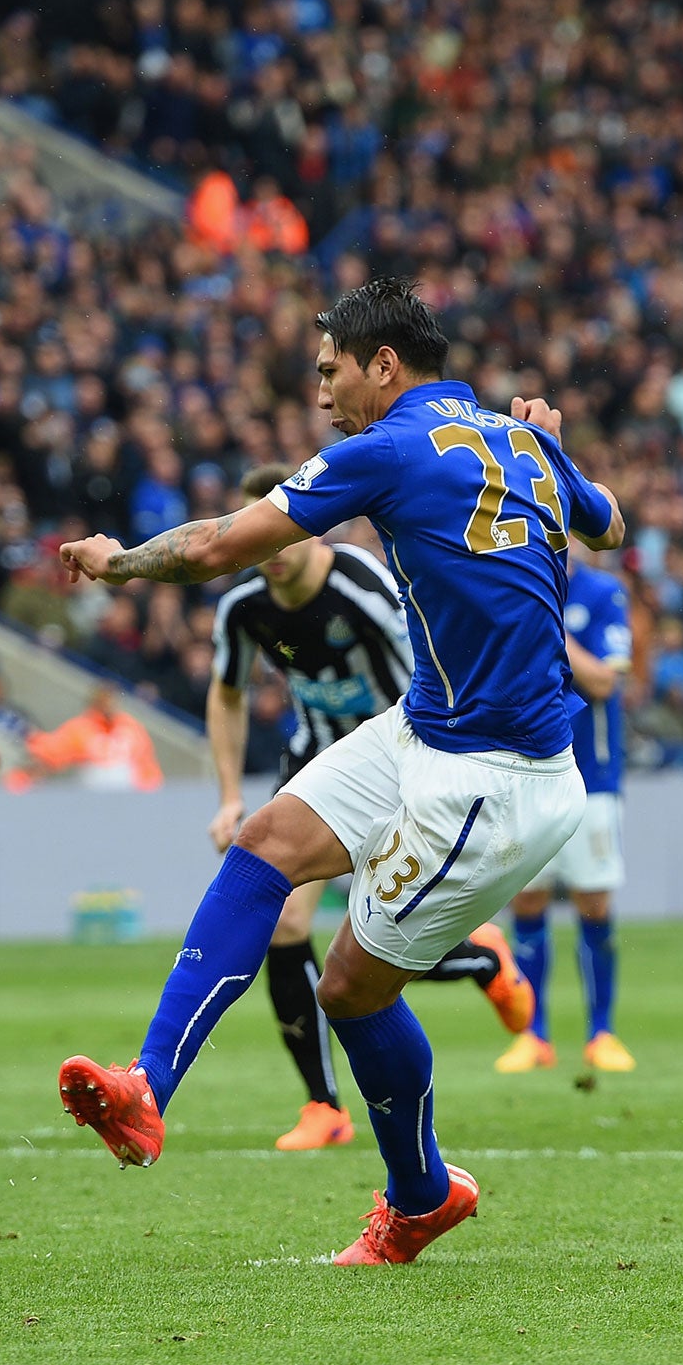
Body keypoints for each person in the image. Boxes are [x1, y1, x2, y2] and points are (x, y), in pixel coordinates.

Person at [54, 277, 624, 1264]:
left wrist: (121, 564)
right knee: (264, 839)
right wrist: (556, 445)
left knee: (347, 991)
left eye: (330, 372)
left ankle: (419, 1196)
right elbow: (609, 526)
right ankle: (145, 1088)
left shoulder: (386, 447)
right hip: (426, 728)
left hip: (497, 778)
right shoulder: (521, 439)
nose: (322, 395)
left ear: (383, 365)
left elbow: (220, 545)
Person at [209, 462, 537, 1151]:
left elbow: (430, 656)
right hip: (318, 763)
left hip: (403, 762)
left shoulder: (363, 588)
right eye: (252, 538)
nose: (266, 552)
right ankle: (322, 1107)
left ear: (309, 528)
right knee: (285, 924)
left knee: (372, 937)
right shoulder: (243, 608)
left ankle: (481, 958)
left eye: (276, 535)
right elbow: (229, 692)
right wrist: (232, 795)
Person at [497, 550, 636, 1075]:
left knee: (593, 903)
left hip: (590, 777)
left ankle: (602, 1032)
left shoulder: (601, 594)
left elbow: (602, 682)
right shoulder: (513, 585)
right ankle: (535, 1036)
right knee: (526, 903)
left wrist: (547, 619)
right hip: (523, 773)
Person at [18, 685, 163, 791]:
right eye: (103, 700)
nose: (108, 705)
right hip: (91, 798)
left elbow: (148, 768)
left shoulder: (132, 727)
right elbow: (50, 752)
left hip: (131, 799)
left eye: (111, 700)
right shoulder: (81, 727)